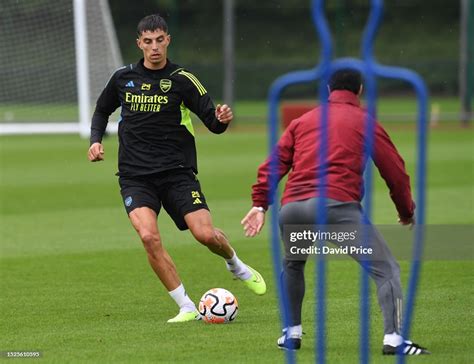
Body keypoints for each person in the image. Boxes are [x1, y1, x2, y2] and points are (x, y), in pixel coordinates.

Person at [88, 14, 266, 323]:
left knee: (206, 235)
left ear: (168, 40)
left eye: (159, 40)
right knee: (148, 237)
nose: (154, 47)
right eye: (148, 42)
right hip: (135, 176)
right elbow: (102, 110)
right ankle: (186, 306)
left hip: (177, 173)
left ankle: (235, 264)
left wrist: (221, 119)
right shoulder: (122, 78)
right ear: (139, 44)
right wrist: (95, 141)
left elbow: (212, 120)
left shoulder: (183, 79)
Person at [241, 69, 429, 355]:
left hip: (292, 209)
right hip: (334, 207)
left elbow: (275, 163)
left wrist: (259, 204)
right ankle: (394, 339)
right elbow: (395, 172)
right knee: (387, 270)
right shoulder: (366, 122)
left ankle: (291, 334)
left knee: (293, 265)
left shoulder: (303, 121)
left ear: (329, 89)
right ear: (360, 90)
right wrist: (406, 210)